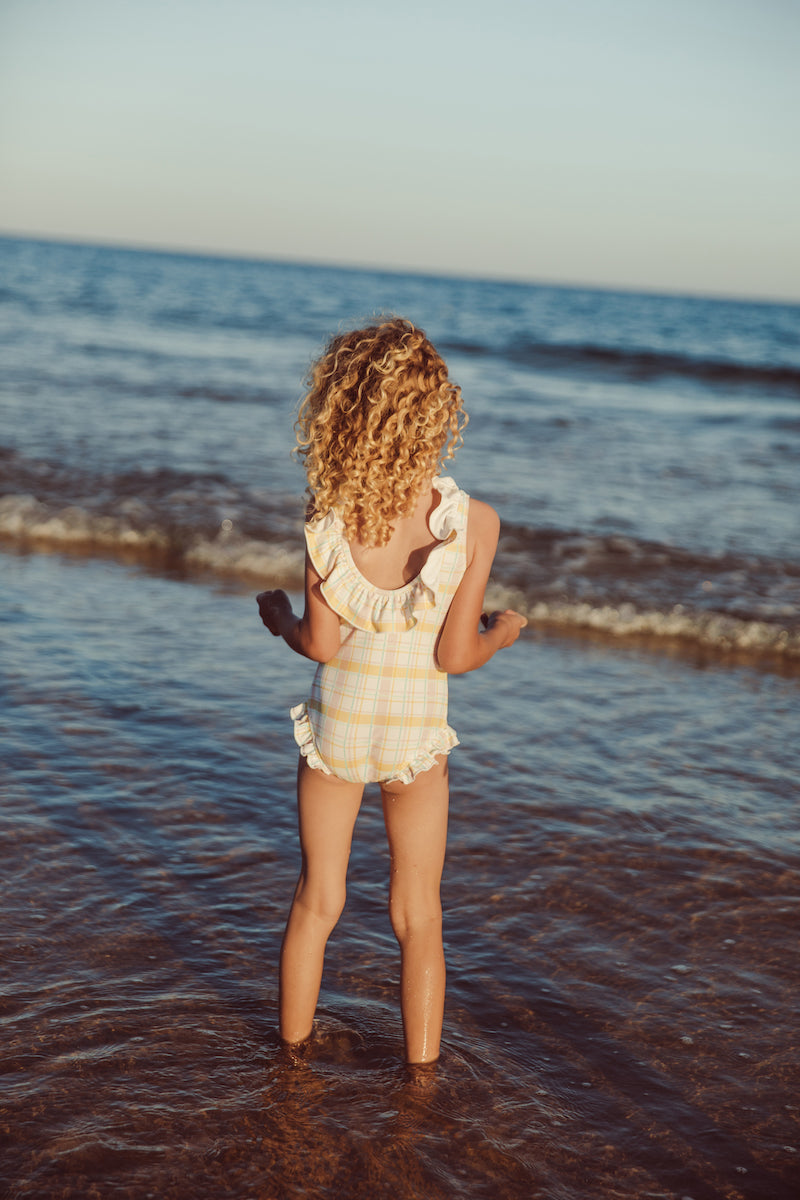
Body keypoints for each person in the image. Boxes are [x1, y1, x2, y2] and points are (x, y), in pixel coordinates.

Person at [257, 317, 526, 1065]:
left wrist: (280, 618)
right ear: (438, 415)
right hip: (414, 744)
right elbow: (455, 652)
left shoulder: (329, 516)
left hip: (339, 733)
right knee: (419, 915)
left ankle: (292, 1056)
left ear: (341, 411)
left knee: (318, 900)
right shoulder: (473, 523)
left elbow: (321, 643)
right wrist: (501, 632)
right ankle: (421, 1074)